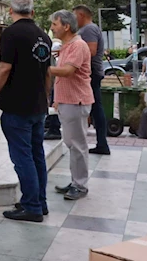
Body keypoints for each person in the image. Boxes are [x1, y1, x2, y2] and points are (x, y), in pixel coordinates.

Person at [0, 0, 52, 222]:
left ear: (11, 12)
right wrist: (47, 98)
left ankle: (31, 206)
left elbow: (4, 68)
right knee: (36, 155)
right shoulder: (44, 36)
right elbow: (47, 72)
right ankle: (39, 202)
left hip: (17, 105)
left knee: (22, 157)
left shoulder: (11, 34)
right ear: (32, 12)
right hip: (38, 105)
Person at [49, 10, 93, 201]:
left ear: (66, 26)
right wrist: (57, 99)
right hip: (67, 101)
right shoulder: (67, 46)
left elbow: (67, 71)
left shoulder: (78, 45)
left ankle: (80, 185)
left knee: (78, 144)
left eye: (54, 24)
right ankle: (75, 181)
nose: (52, 28)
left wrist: (43, 68)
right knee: (71, 143)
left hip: (77, 101)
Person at [73, 5, 110, 156]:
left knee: (96, 108)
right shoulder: (90, 29)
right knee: (95, 108)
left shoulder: (88, 29)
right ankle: (101, 142)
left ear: (81, 15)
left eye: (74, 15)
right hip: (93, 72)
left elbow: (90, 51)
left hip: (91, 72)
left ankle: (102, 143)